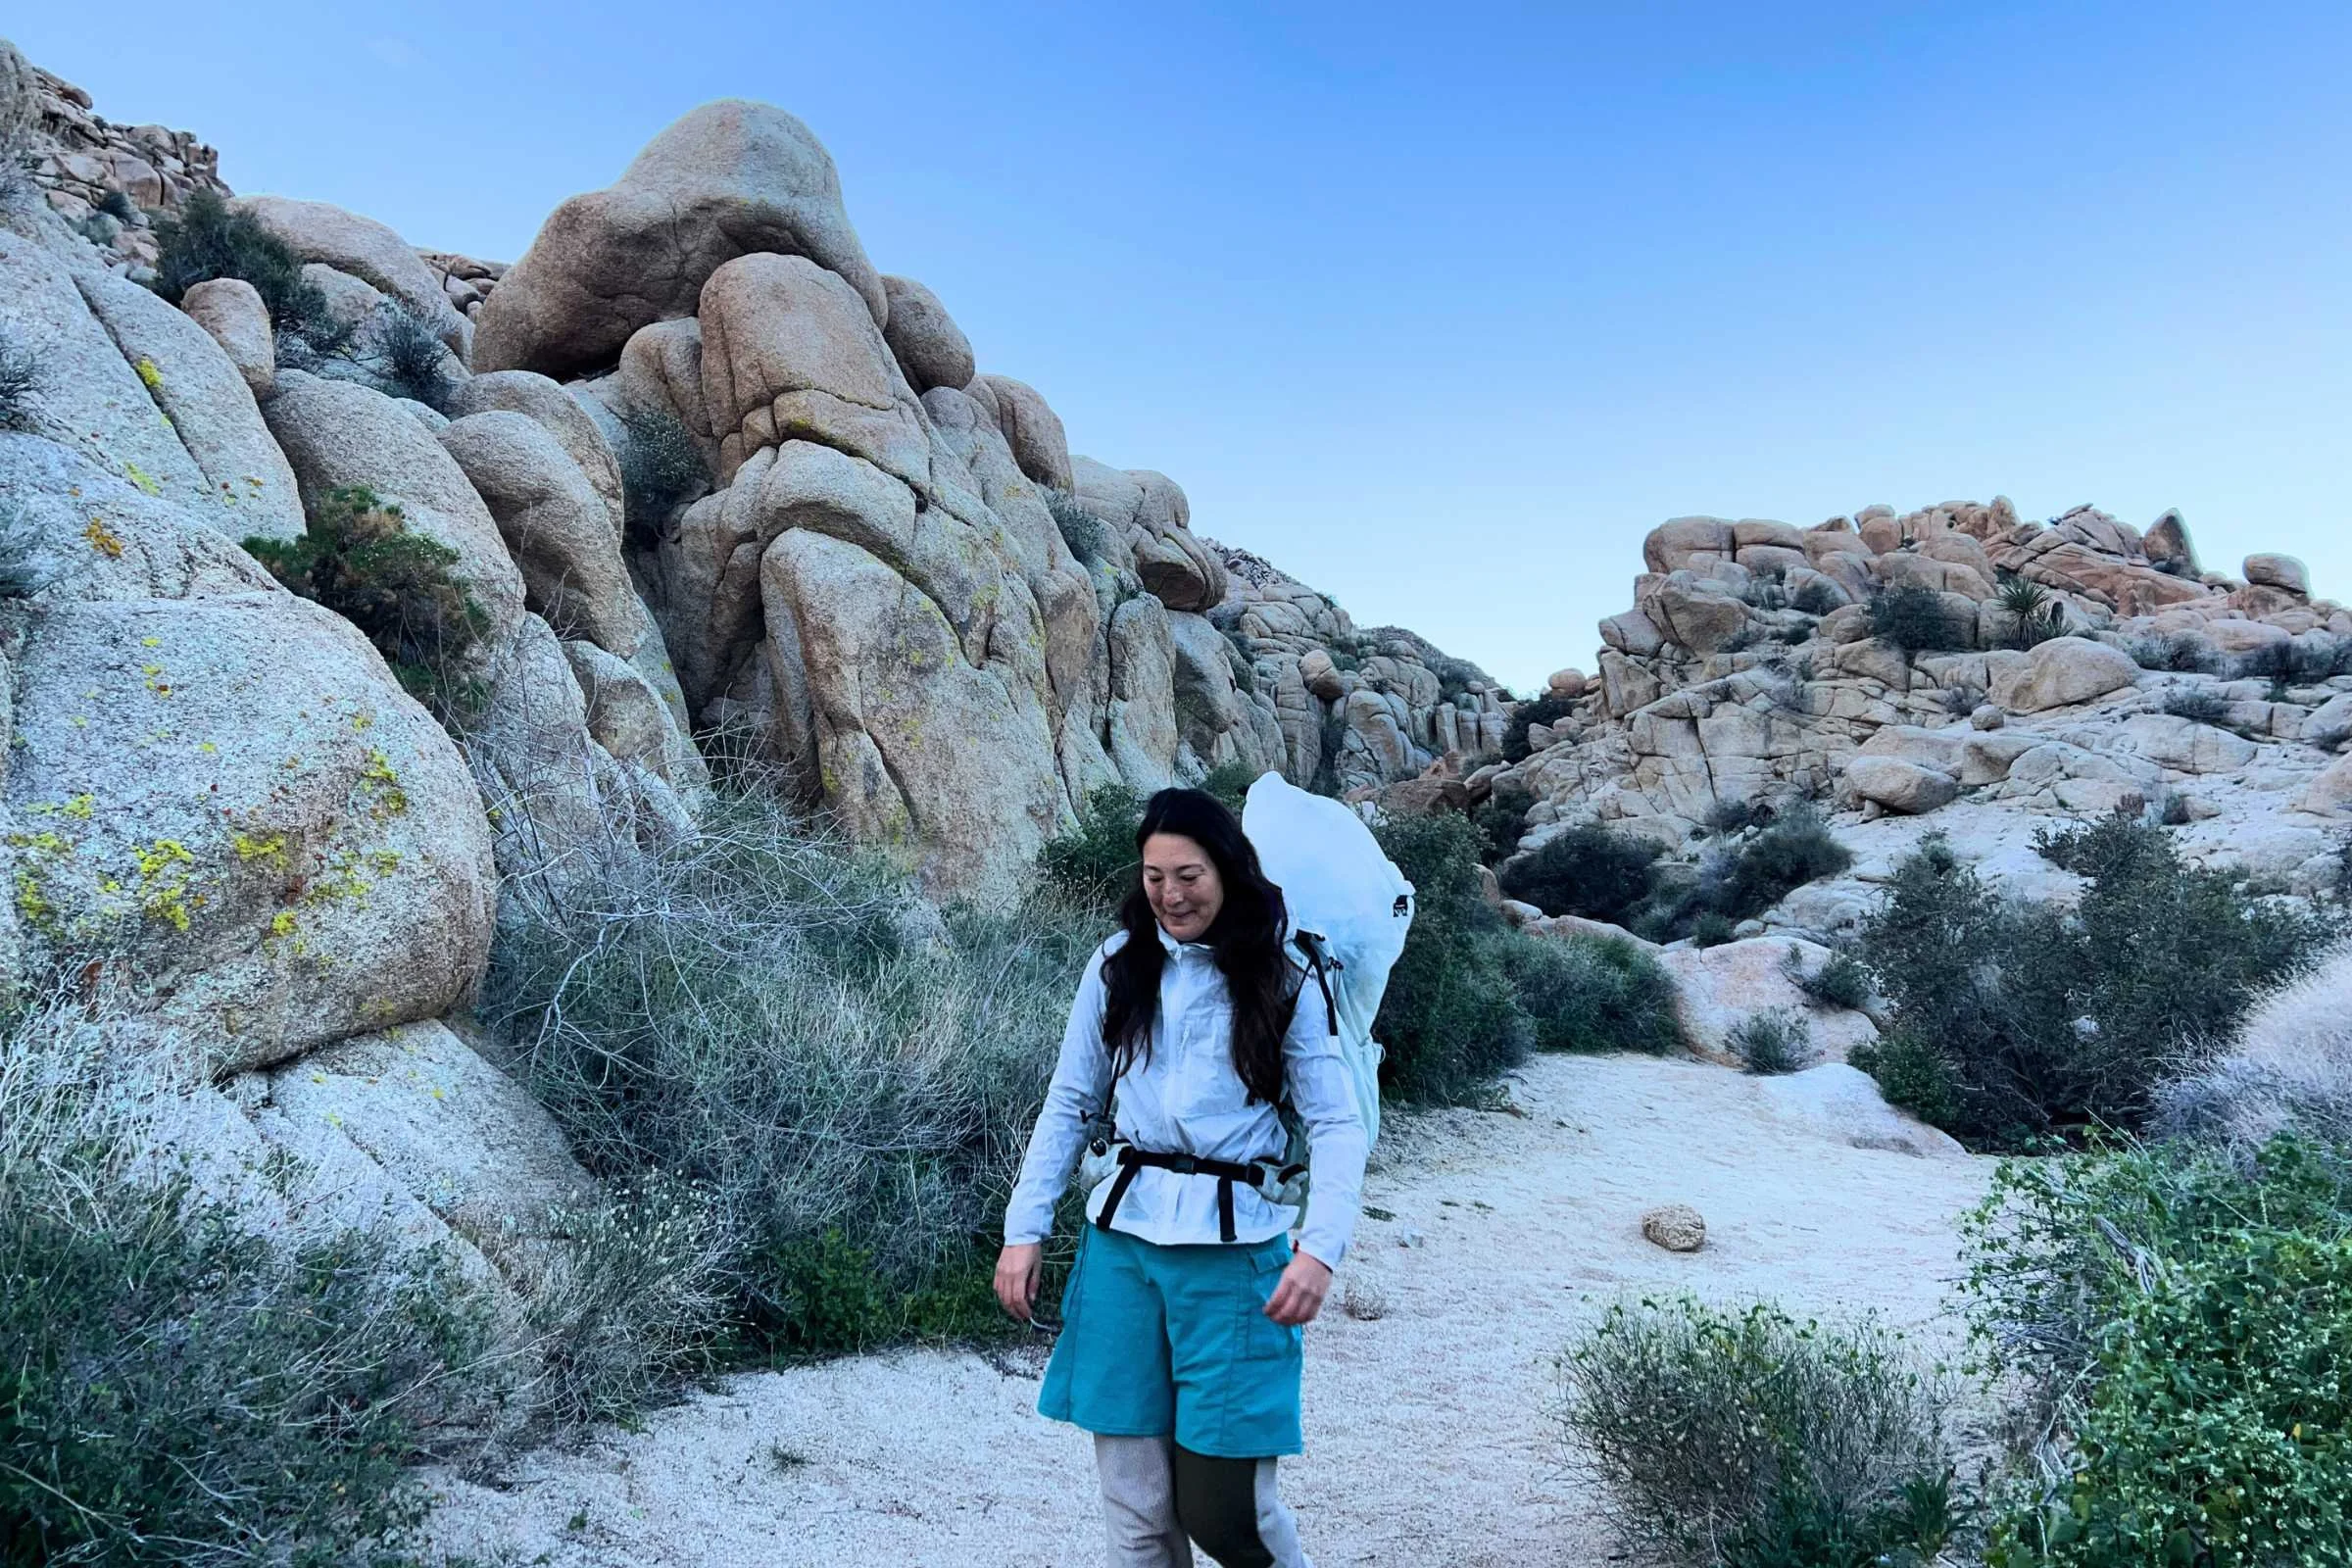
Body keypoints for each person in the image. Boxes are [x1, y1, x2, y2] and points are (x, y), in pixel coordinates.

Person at [997, 787, 1367, 1568]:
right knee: (1136, 1514)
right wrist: (1023, 1230)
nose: (1170, 894)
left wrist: (1320, 1250)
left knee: (1225, 1514)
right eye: (1155, 875)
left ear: (1227, 869)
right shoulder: (1116, 966)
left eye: (1188, 873)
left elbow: (1336, 1123)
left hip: (1234, 1260)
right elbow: (1068, 1103)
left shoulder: (1287, 973)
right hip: (1122, 1251)